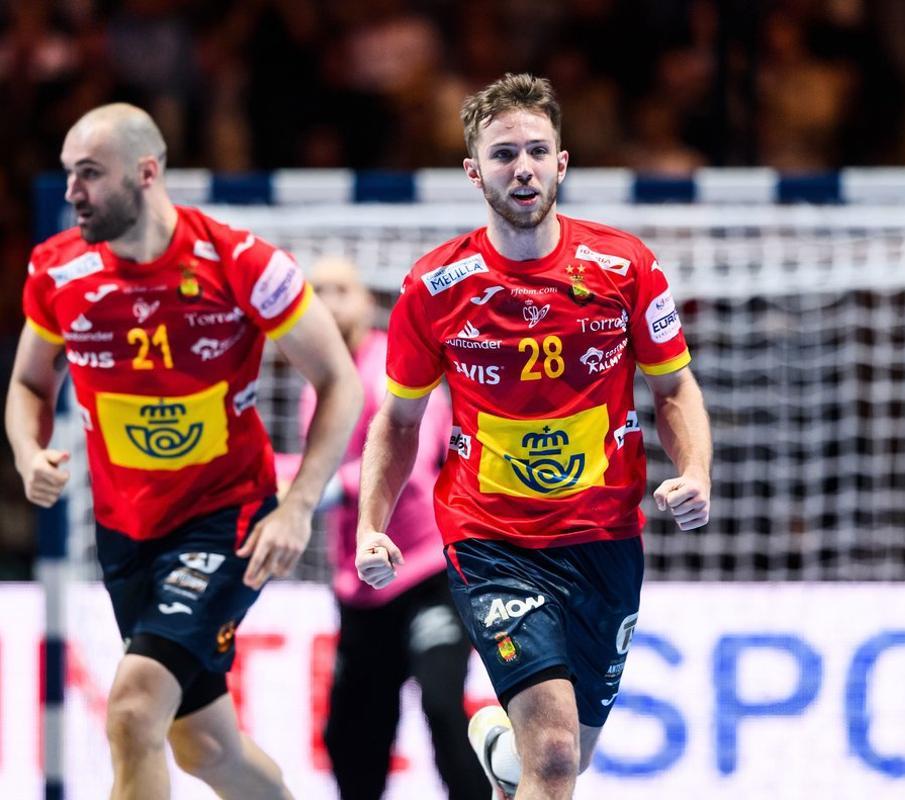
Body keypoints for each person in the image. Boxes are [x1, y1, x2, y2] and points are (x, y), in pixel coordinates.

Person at [355, 73, 712, 800]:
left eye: (537, 151)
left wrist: (696, 470)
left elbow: (673, 388)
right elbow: (396, 422)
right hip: (492, 540)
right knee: (551, 754)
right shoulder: (434, 287)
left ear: (562, 163)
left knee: (560, 762)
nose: (522, 167)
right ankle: (515, 748)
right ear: (473, 171)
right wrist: (370, 523)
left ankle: (496, 745)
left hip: (604, 538)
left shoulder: (626, 267)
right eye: (503, 153)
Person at [6, 103, 362, 799]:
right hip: (125, 531)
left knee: (134, 708)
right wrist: (26, 450)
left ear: (146, 173)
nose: (72, 192)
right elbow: (27, 380)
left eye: (89, 174)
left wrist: (296, 507)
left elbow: (338, 381)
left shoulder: (240, 263)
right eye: (67, 175)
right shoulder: (57, 271)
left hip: (224, 518)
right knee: (204, 746)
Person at [276, 256, 489, 800]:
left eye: (340, 289)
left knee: (443, 707)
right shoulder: (317, 386)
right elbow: (313, 468)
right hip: (360, 588)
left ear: (367, 303)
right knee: (352, 739)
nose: (326, 301)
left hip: (426, 573)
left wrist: (326, 488)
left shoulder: (396, 371)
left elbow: (413, 466)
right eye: (316, 290)